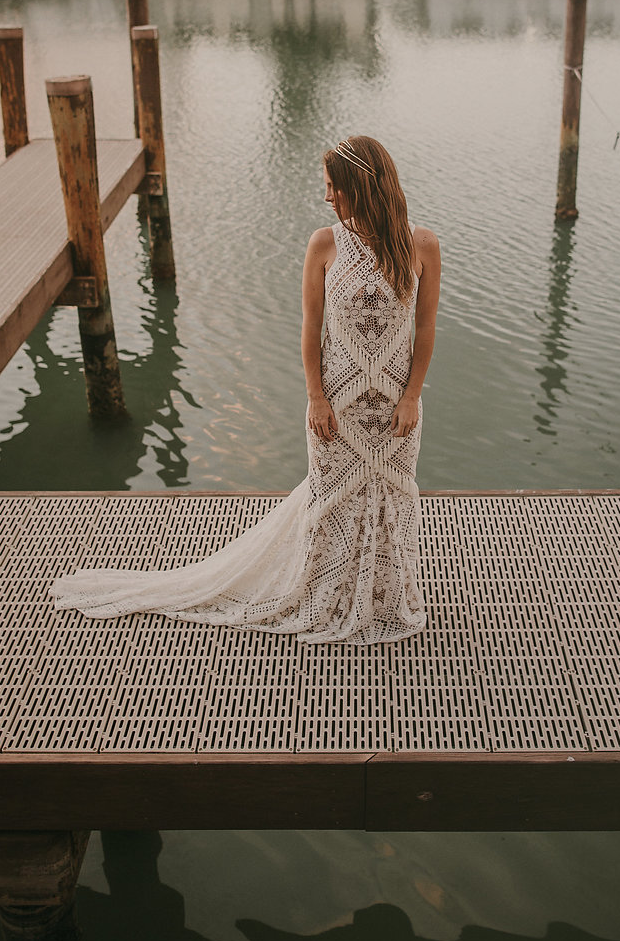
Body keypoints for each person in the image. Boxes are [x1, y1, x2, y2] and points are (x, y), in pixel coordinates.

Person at [51, 136, 441, 644]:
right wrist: (316, 398)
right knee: (329, 503)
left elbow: (427, 329)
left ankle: (383, 599)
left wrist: (412, 396)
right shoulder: (325, 244)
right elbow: (309, 328)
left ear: (360, 185)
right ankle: (327, 597)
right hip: (337, 403)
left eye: (333, 188)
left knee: (392, 498)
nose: (327, 198)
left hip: (395, 407)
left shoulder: (422, 246)